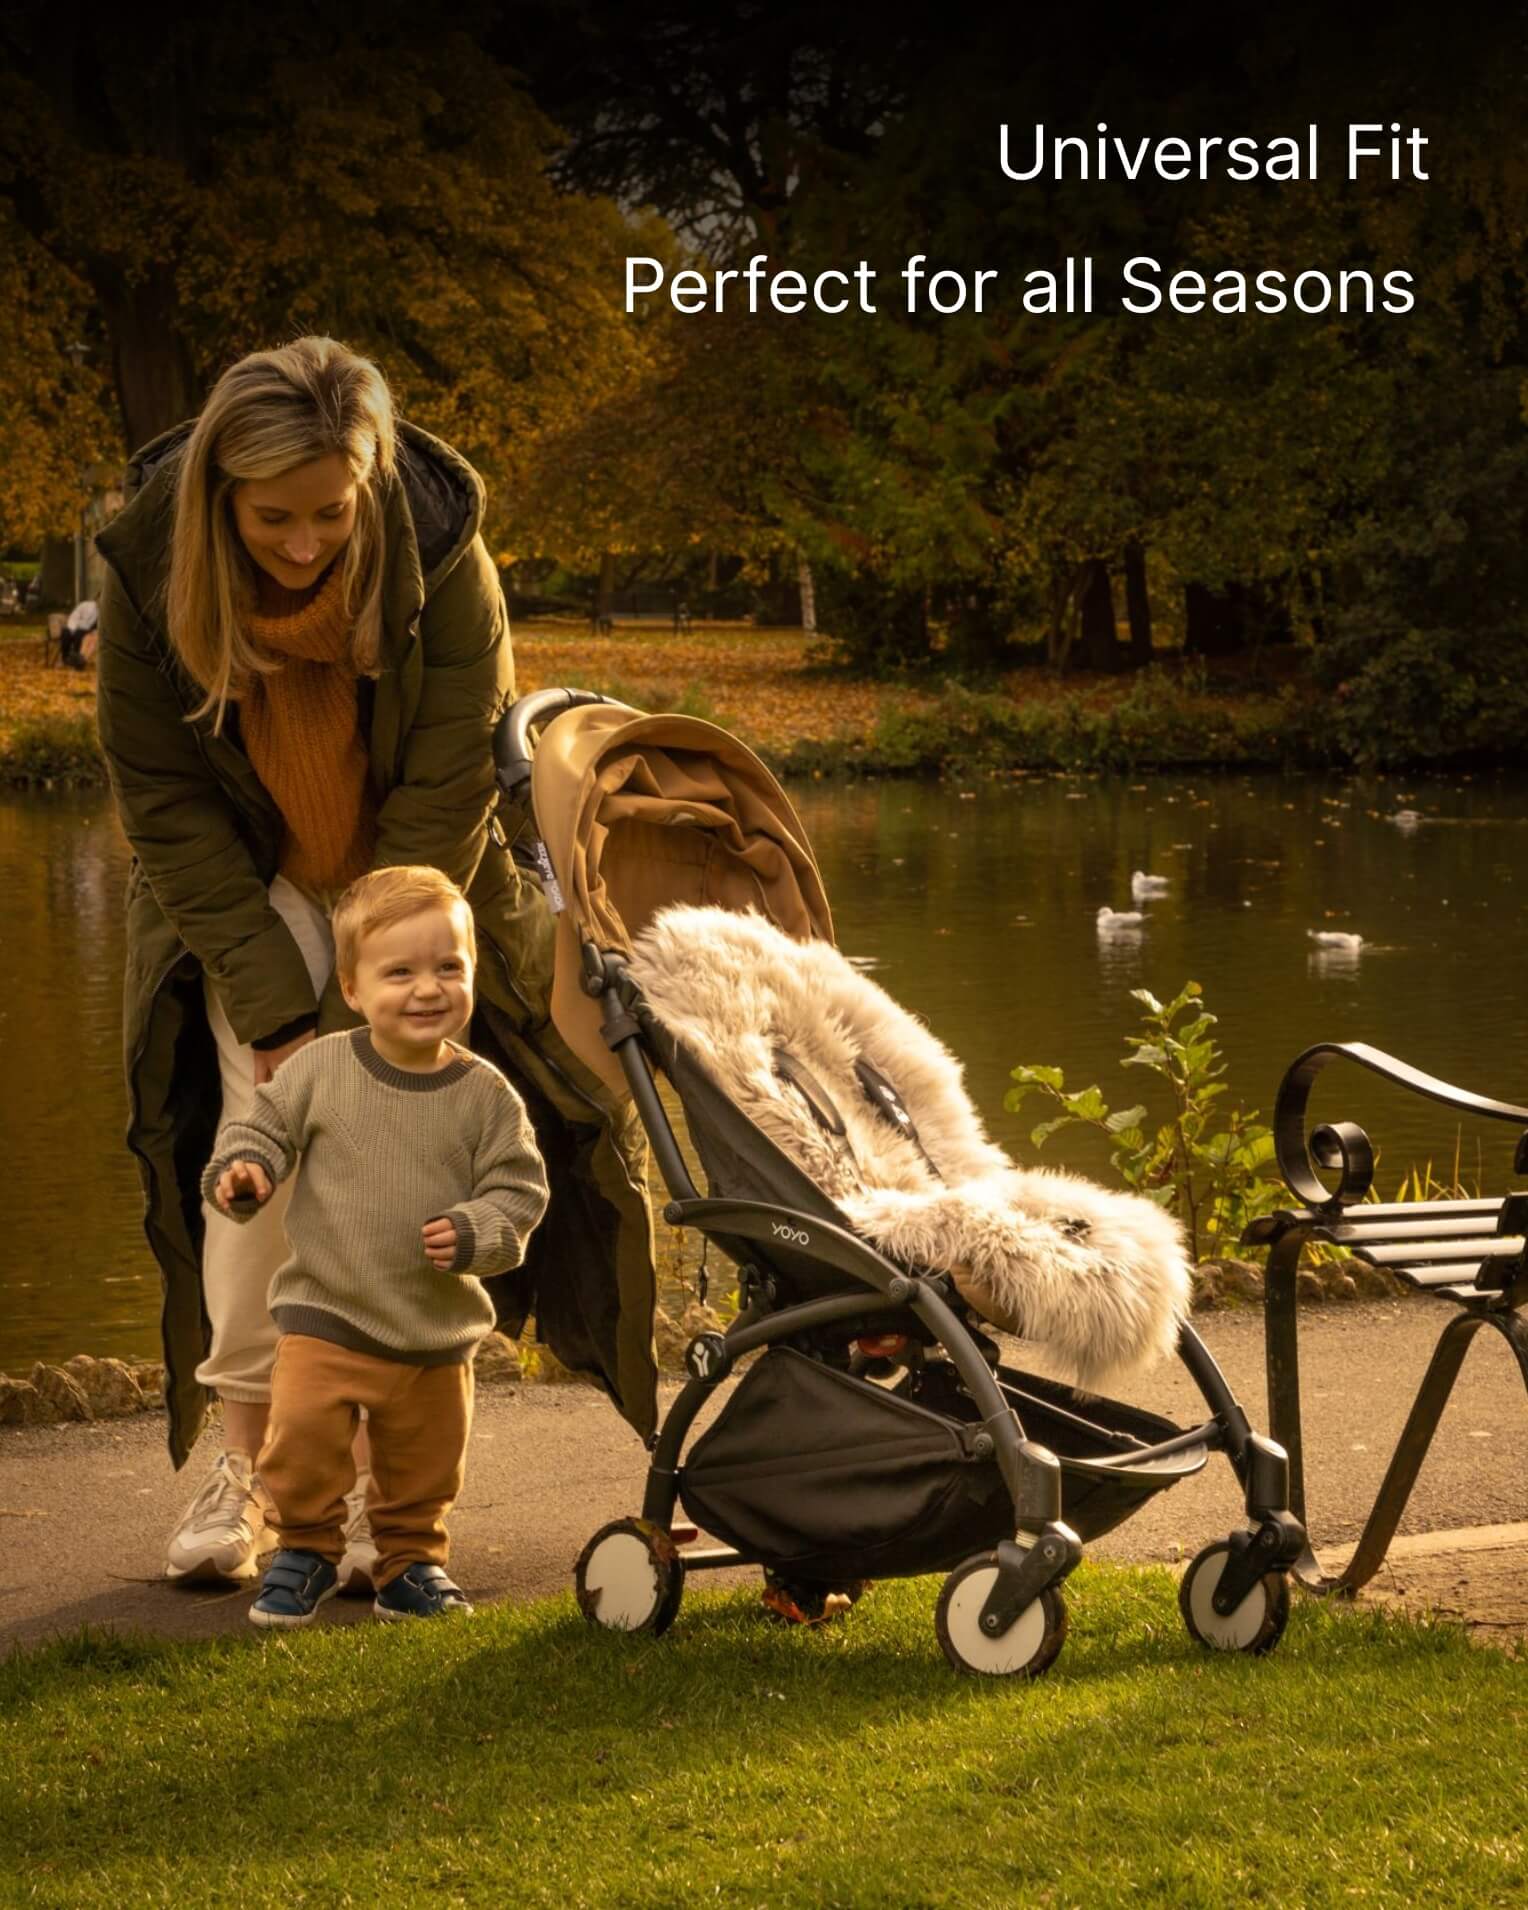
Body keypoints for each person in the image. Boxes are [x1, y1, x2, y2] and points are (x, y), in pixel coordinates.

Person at [95, 335, 654, 1595]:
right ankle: (251, 1466)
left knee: (410, 1142)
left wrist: (384, 963)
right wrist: (280, 1012)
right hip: (239, 884)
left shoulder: (444, 555)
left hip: (412, 868)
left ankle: (380, 1484)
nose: (304, 544)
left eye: (330, 514)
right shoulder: (146, 571)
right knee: (262, 1134)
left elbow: (452, 776)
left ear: (370, 482)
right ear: (221, 498)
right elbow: (166, 803)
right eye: (273, 519)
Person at [202, 866, 549, 1625]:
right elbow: (261, 1128)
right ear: (352, 990)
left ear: (473, 973)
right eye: (400, 973)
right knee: (301, 1440)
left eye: (448, 967)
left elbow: (519, 1194)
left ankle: (409, 1563)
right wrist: (246, 1170)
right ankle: (305, 1549)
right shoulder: (322, 1068)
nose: (427, 989)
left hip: (432, 1328)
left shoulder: (486, 1096)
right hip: (326, 1313)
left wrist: (478, 1231)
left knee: (424, 1464)